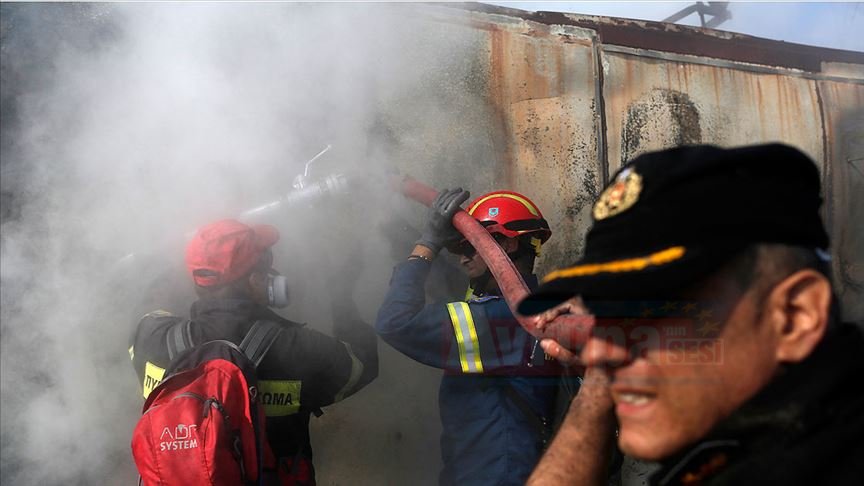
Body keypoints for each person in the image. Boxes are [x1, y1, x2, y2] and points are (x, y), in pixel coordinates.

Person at [518, 144, 864, 485]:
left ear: (794, 316)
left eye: (653, 312)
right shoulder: (741, 450)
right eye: (603, 316)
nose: (599, 351)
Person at [129, 219, 378, 485]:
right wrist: (341, 294)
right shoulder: (297, 349)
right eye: (266, 263)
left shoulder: (151, 338)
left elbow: (150, 308)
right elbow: (363, 364)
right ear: (258, 280)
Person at [376, 189, 568, 486]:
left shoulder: (501, 319)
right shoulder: (527, 311)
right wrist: (390, 220)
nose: (462, 258)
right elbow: (447, 283)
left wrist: (428, 243)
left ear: (508, 243)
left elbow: (395, 322)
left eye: (469, 247)